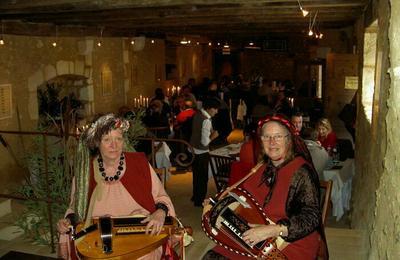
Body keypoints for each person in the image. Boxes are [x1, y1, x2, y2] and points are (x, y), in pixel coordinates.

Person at [203, 114, 323, 259]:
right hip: (255, 234)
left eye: (278, 136)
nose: (272, 142)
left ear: (289, 140)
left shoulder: (302, 172)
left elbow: (311, 217)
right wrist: (217, 203)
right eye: (266, 137)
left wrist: (272, 230)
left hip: (288, 242)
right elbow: (243, 199)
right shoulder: (262, 167)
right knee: (212, 256)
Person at [57, 114, 176, 260]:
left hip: (140, 232)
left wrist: (160, 212)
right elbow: (76, 208)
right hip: (98, 236)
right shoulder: (85, 172)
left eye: (118, 139)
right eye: (107, 140)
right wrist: (67, 222)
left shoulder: (139, 164)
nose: (114, 145)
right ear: (96, 143)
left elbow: (161, 197)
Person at [189, 98, 220, 207]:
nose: (216, 111)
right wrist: (213, 136)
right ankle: (200, 200)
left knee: (196, 176)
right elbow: (204, 142)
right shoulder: (206, 120)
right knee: (203, 178)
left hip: (193, 150)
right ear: (209, 108)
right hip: (202, 152)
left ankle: (195, 196)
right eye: (215, 109)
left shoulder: (198, 114)